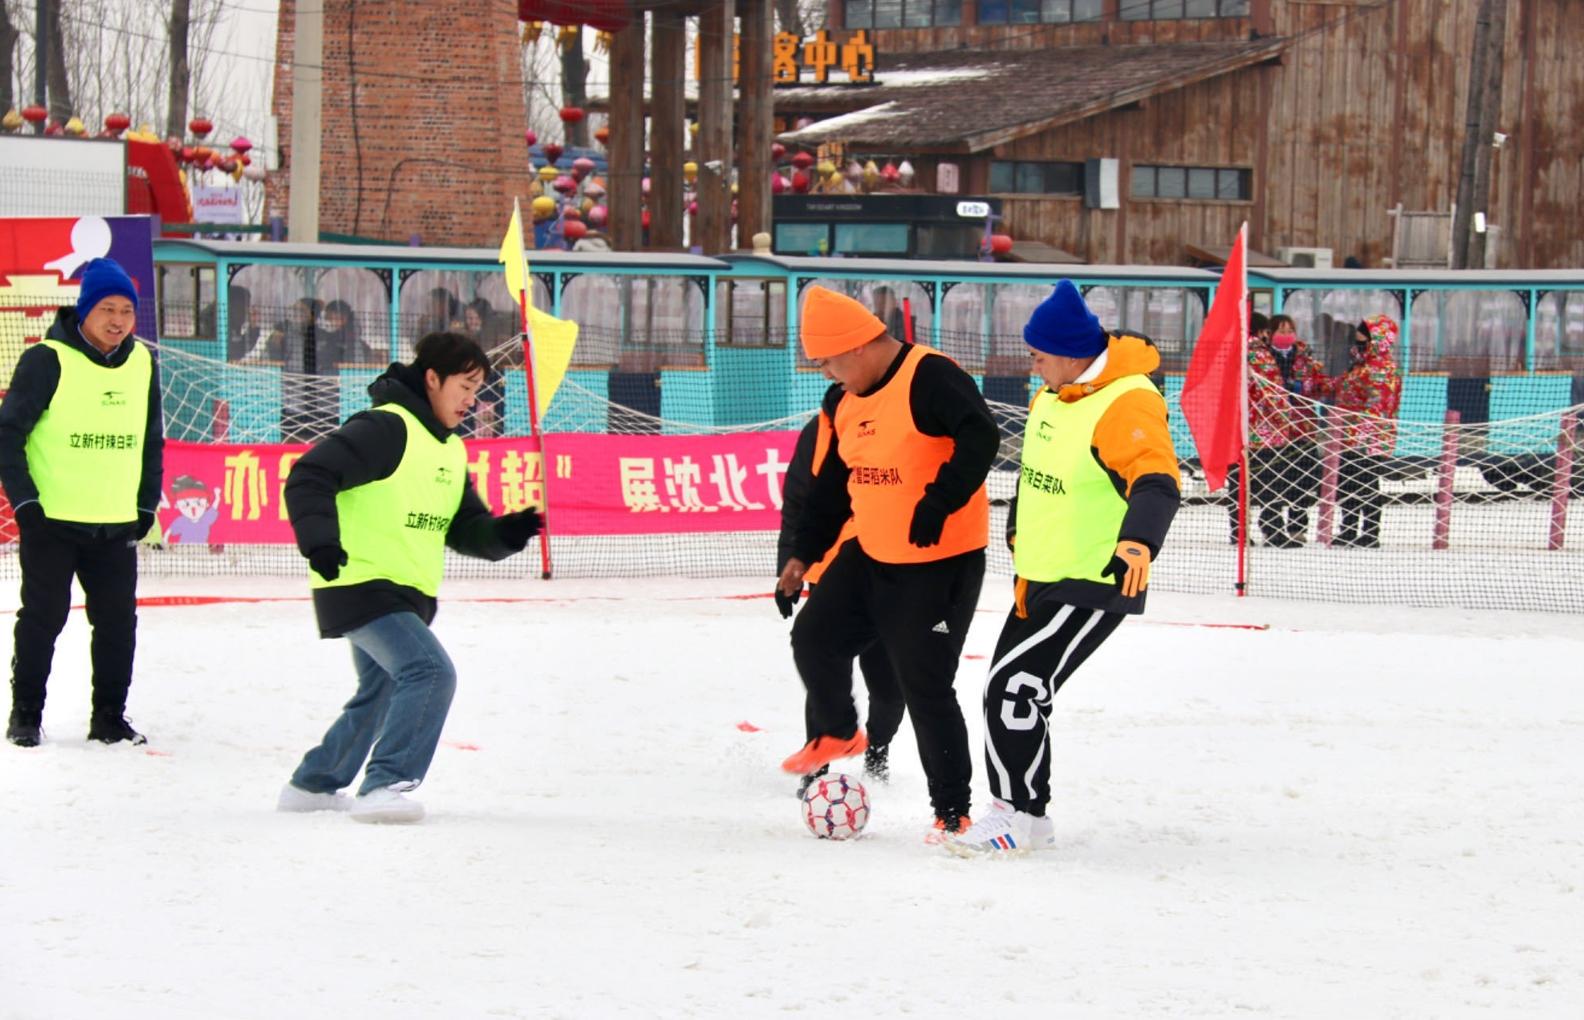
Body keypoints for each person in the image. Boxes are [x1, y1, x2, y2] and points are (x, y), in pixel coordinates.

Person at [947, 280, 1180, 856]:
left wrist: (1139, 543)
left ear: (1073, 354)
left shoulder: (1127, 399)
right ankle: (1031, 819)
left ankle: (1013, 817)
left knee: (1015, 689)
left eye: (1038, 355)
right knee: (1009, 691)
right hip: (1040, 576)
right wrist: (1017, 527)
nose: (1033, 366)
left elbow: (1156, 479)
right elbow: (1038, 473)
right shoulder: (1052, 396)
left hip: (1096, 576)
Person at [277, 332, 543, 822]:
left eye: (478, 389)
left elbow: (464, 527)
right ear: (433, 379)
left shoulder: (449, 449)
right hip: (360, 583)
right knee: (429, 673)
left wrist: (505, 534)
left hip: (406, 593)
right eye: (465, 386)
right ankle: (386, 784)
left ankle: (312, 786)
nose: (471, 400)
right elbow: (310, 476)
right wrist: (320, 543)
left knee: (380, 692)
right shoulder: (386, 427)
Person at [775, 286, 997, 843]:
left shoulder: (929, 376)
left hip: (939, 563)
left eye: (827, 361)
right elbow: (832, 487)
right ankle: (838, 731)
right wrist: (802, 554)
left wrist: (939, 501)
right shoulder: (843, 401)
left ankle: (953, 811)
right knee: (814, 637)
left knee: (925, 686)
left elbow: (981, 434)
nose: (826, 374)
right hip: (870, 552)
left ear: (856, 346)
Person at [1, 257, 164, 747]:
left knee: (117, 625)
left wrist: (146, 504)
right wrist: (25, 503)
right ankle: (26, 715)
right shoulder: (46, 359)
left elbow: (150, 439)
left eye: (127, 311)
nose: (118, 320)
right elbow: (7, 434)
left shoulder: (142, 362)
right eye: (107, 309)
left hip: (115, 523)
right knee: (43, 619)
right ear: (85, 309)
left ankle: (109, 718)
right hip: (52, 521)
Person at [776, 409, 906, 797]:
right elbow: (797, 500)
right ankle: (818, 766)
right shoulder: (819, 430)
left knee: (889, 685)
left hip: (890, 568)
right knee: (825, 676)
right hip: (830, 572)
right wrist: (789, 566)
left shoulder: (900, 417)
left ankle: (878, 748)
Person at [1246, 313, 1330, 547]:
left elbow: (1321, 384)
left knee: (1303, 477)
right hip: (1272, 428)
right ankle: (1272, 525)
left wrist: (1305, 387)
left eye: (1289, 330)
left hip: (1302, 426)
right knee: (1274, 478)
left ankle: (1297, 525)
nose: (1286, 335)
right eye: (1281, 331)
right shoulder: (1261, 356)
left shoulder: (1304, 357)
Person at [1331, 315, 1403, 548]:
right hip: (1351, 434)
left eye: (1361, 332)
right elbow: (1343, 387)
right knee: (1348, 482)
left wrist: (1361, 430)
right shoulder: (1362, 365)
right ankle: (1348, 528)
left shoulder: (1381, 368)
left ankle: (1370, 532)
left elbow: (1378, 404)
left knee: (1366, 483)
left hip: (1369, 437)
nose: (1357, 336)